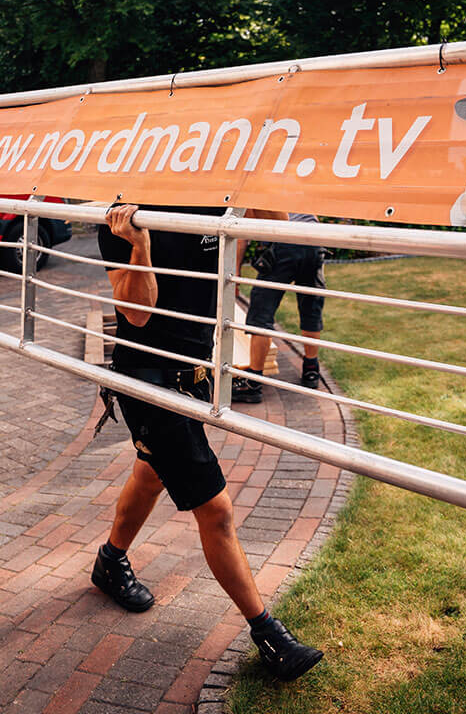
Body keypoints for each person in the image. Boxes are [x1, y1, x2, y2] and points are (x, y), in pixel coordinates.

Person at [91, 203, 323, 682]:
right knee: (215, 510)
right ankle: (270, 638)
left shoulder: (216, 197)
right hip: (149, 380)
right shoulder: (123, 215)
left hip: (196, 373)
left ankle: (110, 562)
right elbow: (134, 315)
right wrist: (141, 247)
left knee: (151, 473)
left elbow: (279, 227)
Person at [232, 213, 326, 404]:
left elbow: (242, 236)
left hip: (283, 243)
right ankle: (311, 369)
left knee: (261, 313)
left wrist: (235, 274)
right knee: (311, 305)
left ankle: (253, 383)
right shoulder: (300, 185)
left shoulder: (259, 190)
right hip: (314, 240)